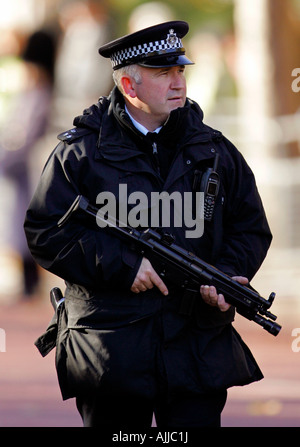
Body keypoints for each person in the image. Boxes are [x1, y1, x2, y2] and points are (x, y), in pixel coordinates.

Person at [24, 21, 272, 428]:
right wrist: (125, 266)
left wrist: (228, 275)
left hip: (195, 346)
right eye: (163, 73)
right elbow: (46, 231)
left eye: (180, 71)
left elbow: (250, 228)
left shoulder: (216, 151)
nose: (178, 82)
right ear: (129, 85)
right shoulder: (81, 153)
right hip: (111, 349)